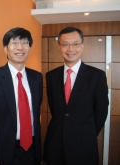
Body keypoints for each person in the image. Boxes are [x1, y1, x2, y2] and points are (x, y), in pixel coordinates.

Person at [42, 27, 109, 165]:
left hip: (83, 145)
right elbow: (56, 110)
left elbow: (101, 112)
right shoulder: (51, 76)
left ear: (82, 46)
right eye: (65, 44)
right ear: (59, 47)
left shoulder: (97, 76)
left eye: (75, 44)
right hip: (55, 144)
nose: (70, 49)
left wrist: (86, 133)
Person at [0, 27, 43, 165]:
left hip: (33, 149)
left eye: (25, 43)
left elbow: (35, 111)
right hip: (5, 151)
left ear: (30, 48)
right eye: (14, 43)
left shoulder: (37, 78)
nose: (20, 48)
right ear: (5, 49)